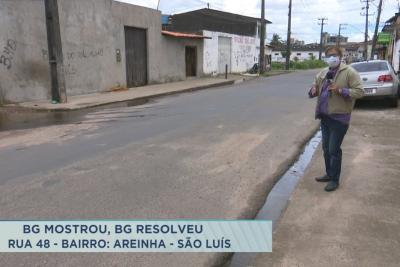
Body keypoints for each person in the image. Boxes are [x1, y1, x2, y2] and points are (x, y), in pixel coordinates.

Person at [309, 46, 364, 192]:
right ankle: (329, 173)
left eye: (334, 55)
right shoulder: (324, 72)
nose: (331, 58)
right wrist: (313, 89)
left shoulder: (349, 72)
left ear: (340, 56)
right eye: (328, 56)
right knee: (326, 149)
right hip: (325, 117)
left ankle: (334, 180)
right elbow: (315, 85)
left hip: (340, 119)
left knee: (333, 149)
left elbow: (360, 92)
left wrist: (341, 90)